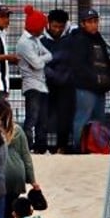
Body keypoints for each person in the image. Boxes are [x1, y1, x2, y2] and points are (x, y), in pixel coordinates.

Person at [62, 8, 110, 150]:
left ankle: (96, 146)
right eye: (90, 22)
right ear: (83, 24)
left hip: (99, 87)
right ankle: (78, 146)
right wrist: (96, 79)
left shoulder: (99, 38)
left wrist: (108, 79)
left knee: (99, 120)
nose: (93, 25)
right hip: (85, 87)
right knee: (82, 118)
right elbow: (79, 66)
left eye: (95, 21)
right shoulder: (79, 39)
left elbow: (106, 60)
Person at [0, 99, 40, 218]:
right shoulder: (17, 130)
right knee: (11, 210)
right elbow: (26, 156)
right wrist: (33, 180)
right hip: (17, 175)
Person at [17, 5, 52, 153]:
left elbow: (49, 55)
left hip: (41, 84)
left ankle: (40, 147)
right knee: (32, 118)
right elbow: (38, 64)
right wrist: (41, 59)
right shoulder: (24, 43)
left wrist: (40, 59)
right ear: (36, 27)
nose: (44, 30)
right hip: (31, 85)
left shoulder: (35, 40)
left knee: (42, 119)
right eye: (42, 27)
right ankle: (28, 147)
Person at [42, 9, 74, 153]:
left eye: (60, 27)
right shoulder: (40, 39)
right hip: (46, 83)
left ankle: (62, 146)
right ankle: (41, 145)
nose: (57, 30)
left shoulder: (71, 38)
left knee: (64, 116)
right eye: (54, 26)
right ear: (48, 24)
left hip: (65, 84)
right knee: (43, 115)